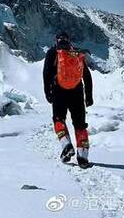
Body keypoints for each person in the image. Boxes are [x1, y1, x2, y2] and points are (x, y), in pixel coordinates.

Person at [42, 31, 93, 168]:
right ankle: (83, 156)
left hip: (59, 91)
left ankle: (66, 145)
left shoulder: (53, 52)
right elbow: (86, 76)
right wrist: (89, 96)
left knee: (58, 119)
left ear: (56, 39)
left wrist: (48, 92)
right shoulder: (76, 54)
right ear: (69, 40)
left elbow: (46, 73)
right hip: (77, 91)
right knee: (80, 124)